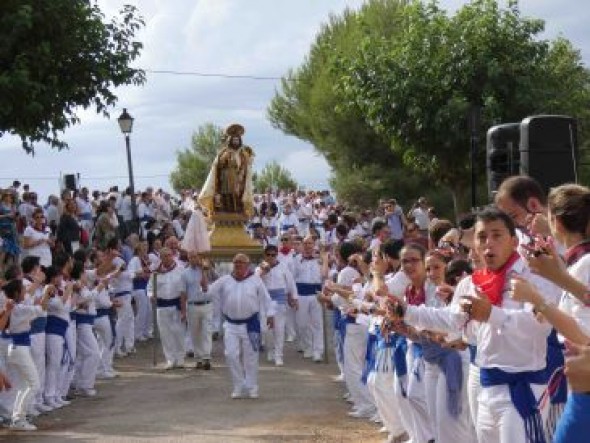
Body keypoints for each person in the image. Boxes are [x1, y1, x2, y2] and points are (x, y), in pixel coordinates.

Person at [390, 208, 555, 443]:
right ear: (474, 245)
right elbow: (450, 319)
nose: (489, 243)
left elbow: (540, 327)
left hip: (523, 388)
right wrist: (406, 312)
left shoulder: (533, 278)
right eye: (481, 237)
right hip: (486, 387)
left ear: (514, 240)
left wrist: (491, 314)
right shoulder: (470, 284)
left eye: (497, 235)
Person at [209, 253, 274, 399]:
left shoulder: (255, 280)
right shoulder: (225, 280)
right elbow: (208, 291)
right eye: (236, 262)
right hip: (231, 324)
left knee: (251, 357)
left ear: (247, 264)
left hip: (250, 323)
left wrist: (270, 315)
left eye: (241, 262)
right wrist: (203, 275)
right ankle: (238, 385)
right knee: (231, 355)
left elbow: (266, 299)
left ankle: (252, 386)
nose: (238, 265)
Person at [3, 279, 51, 431]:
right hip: (19, 349)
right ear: (17, 293)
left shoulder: (17, 307)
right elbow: (42, 308)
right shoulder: (19, 308)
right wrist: (46, 292)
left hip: (18, 347)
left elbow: (37, 308)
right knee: (34, 384)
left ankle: (16, 417)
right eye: (23, 289)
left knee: (24, 385)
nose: (26, 291)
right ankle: (18, 418)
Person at [198, 123, 255, 217]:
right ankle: (227, 208)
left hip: (239, 177)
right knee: (226, 193)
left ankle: (238, 209)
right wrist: (224, 159)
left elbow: (247, 164)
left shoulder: (243, 153)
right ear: (230, 140)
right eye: (234, 140)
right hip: (226, 176)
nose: (236, 141)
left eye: (237, 140)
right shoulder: (225, 152)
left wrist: (242, 171)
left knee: (238, 194)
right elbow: (217, 165)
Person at [257, 245, 298, 367]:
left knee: (279, 329)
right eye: (268, 255)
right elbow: (254, 281)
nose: (271, 257)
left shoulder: (283, 267)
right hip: (265, 301)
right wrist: (263, 272)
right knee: (266, 330)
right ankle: (271, 350)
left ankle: (278, 355)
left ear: (276, 255)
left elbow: (291, 283)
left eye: (273, 255)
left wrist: (294, 298)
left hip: (279, 300)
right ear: (265, 255)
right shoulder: (259, 269)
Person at [148, 247, 186, 370]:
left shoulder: (180, 270)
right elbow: (149, 288)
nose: (168, 258)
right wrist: (151, 295)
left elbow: (185, 289)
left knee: (178, 332)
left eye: (170, 255)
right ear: (161, 258)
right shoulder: (156, 273)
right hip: (161, 305)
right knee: (165, 334)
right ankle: (170, 359)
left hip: (176, 304)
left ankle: (180, 359)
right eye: (165, 256)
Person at [181, 251, 211, 370]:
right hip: (192, 305)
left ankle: (206, 357)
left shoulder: (206, 270)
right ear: (188, 259)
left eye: (195, 257)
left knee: (207, 331)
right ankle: (198, 358)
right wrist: (183, 311)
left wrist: (203, 270)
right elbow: (183, 293)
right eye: (191, 257)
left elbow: (205, 287)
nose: (193, 259)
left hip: (206, 304)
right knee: (195, 333)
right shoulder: (184, 274)